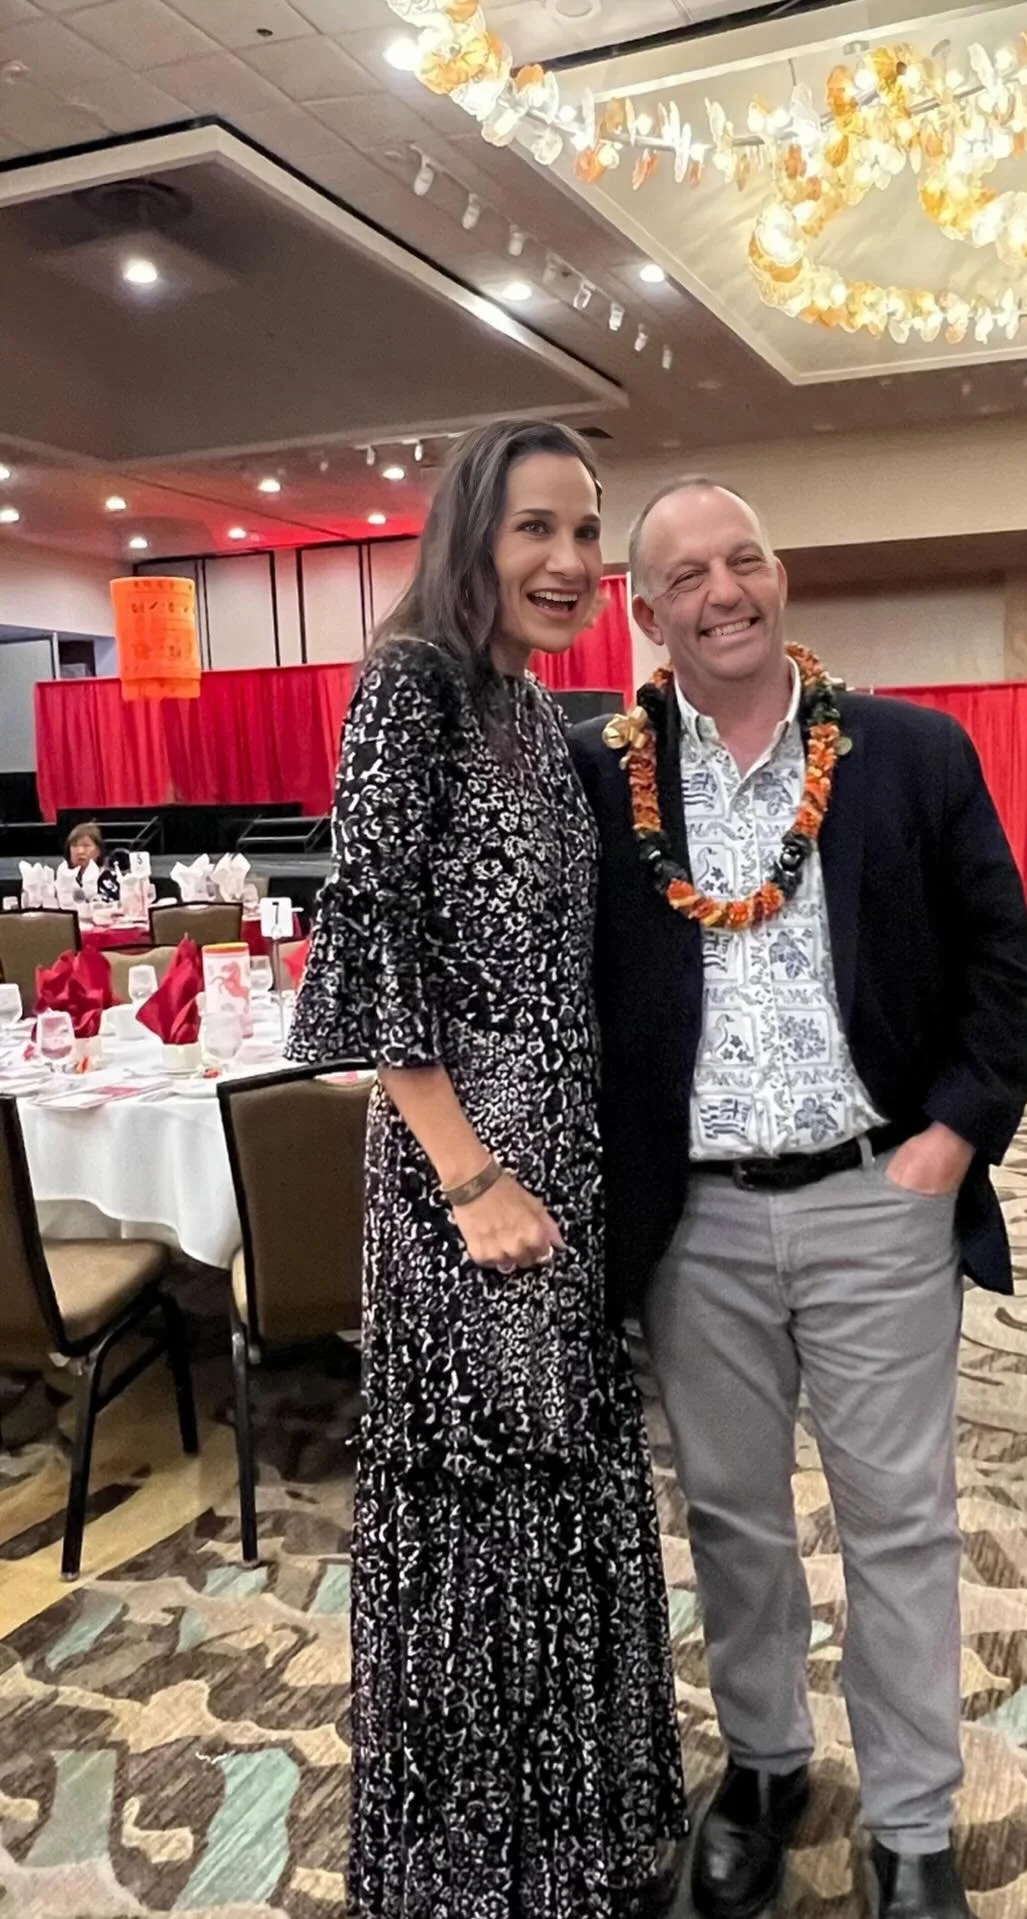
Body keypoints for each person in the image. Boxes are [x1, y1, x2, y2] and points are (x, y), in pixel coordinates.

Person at [571, 479, 1027, 1919]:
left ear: (782, 576)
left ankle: (910, 1824)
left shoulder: (909, 751)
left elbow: (1000, 968)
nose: (724, 590)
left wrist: (952, 1140)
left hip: (875, 1195)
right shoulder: (601, 776)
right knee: (731, 1516)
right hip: (692, 1218)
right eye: (687, 573)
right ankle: (767, 1763)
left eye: (745, 558)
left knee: (897, 1517)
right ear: (644, 612)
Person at [288, 420, 685, 1919]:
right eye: (536, 529)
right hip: (471, 1188)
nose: (572, 562)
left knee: (565, 1487)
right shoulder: (414, 686)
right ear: (472, 535)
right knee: (484, 1502)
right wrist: (470, 1180)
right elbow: (375, 955)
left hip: (561, 1165)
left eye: (589, 531)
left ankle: (575, 1834)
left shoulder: (531, 708)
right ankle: (479, 1865)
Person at [63, 820, 120, 902]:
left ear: (98, 851)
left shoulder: (111, 879)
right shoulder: (63, 880)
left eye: (86, 845)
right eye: (74, 846)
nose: (80, 851)